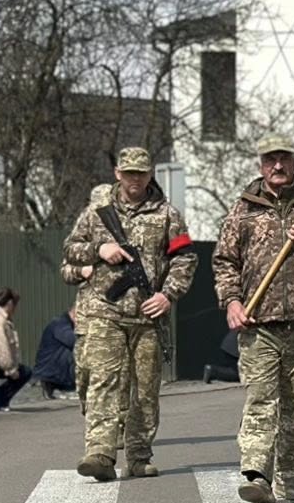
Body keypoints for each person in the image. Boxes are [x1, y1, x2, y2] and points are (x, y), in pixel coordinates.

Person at [214, 134, 294, 503]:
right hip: (258, 323)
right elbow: (224, 262)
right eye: (271, 160)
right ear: (261, 164)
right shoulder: (243, 210)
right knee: (260, 401)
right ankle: (256, 473)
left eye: (284, 158)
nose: (278, 166)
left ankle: (289, 477)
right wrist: (232, 302)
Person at [63, 149, 197, 484]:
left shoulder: (167, 214)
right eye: (129, 173)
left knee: (146, 389)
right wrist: (99, 250)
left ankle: (138, 456)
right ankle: (100, 452)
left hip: (147, 314)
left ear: (150, 174)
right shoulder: (97, 212)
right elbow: (70, 248)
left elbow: (185, 258)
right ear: (117, 173)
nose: (135, 179)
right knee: (103, 381)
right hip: (102, 310)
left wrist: (168, 295)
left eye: (141, 173)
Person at [32, 305, 78, 401]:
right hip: (49, 373)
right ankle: (48, 385)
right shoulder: (60, 324)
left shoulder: (64, 324)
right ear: (75, 313)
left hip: (55, 373)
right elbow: (72, 340)